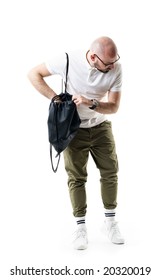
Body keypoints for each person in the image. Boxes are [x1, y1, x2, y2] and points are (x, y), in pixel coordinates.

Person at [28, 36, 125, 250]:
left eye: (114, 62)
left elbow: (114, 107)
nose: (112, 67)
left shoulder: (116, 68)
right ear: (92, 57)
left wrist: (92, 103)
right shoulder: (67, 60)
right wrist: (56, 98)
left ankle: (110, 223)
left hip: (100, 127)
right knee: (77, 177)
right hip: (73, 129)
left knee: (110, 172)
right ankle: (80, 228)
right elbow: (34, 74)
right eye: (107, 64)